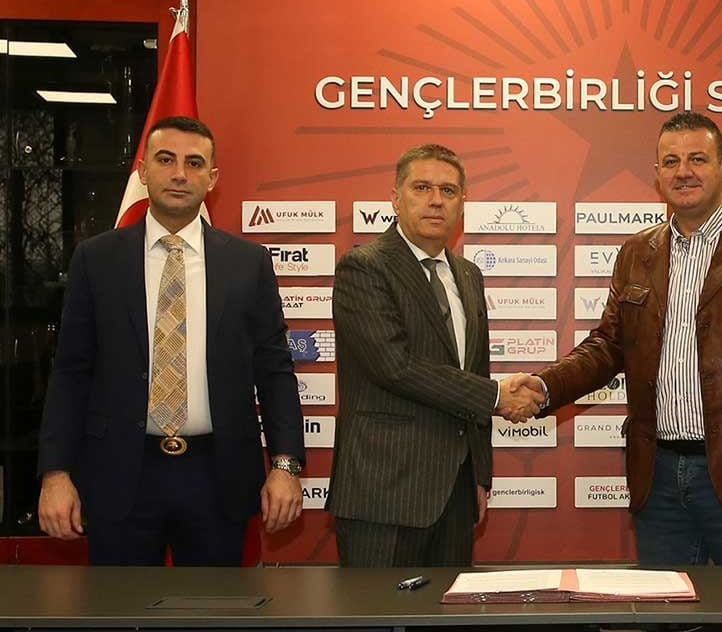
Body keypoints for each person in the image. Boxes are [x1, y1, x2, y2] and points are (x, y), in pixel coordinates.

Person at [509, 111, 722, 565]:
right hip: (657, 476)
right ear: (657, 174)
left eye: (697, 159)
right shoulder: (637, 252)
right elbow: (608, 346)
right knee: (664, 603)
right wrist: (545, 386)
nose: (684, 172)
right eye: (671, 161)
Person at [37, 116, 305, 565]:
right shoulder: (96, 259)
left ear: (212, 178)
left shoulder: (248, 263)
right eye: (166, 160)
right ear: (143, 171)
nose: (180, 173)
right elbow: (70, 373)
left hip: (217, 477)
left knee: (214, 603)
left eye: (194, 163)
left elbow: (275, 371)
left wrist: (285, 465)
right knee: (119, 604)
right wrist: (55, 473)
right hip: (119, 474)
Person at [325, 143, 543, 567]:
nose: (436, 200)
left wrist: (480, 475)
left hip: (455, 494)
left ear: (463, 203)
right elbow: (395, 366)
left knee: (448, 605)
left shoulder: (468, 275)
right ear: (396, 198)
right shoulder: (364, 267)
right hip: (383, 493)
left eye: (448, 190)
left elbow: (474, 369)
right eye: (422, 187)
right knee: (377, 606)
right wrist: (496, 395)